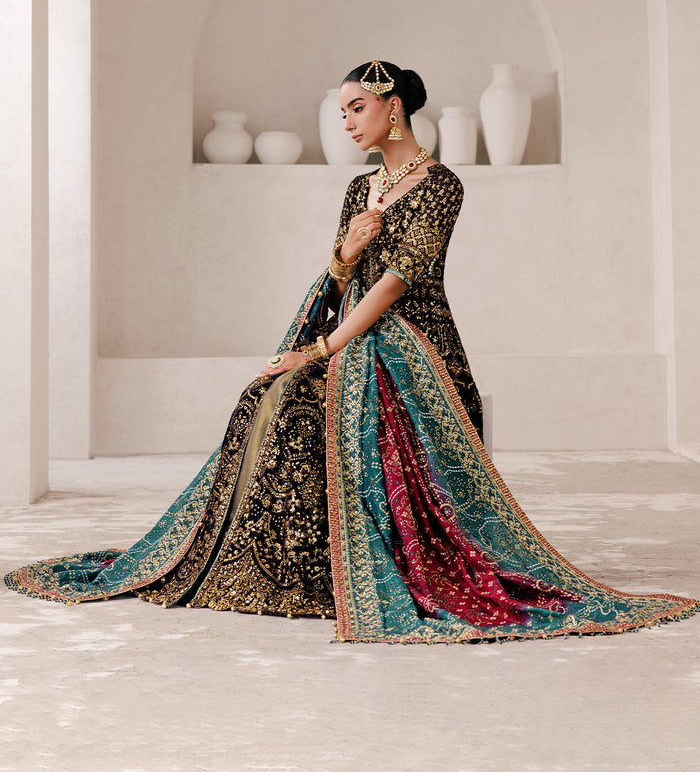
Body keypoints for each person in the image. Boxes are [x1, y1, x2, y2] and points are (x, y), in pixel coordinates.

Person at [5, 60, 699, 643]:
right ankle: (286, 569)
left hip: (413, 344)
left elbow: (397, 283)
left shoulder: (442, 185)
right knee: (266, 398)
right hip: (348, 332)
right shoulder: (358, 187)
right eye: (342, 112)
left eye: (356, 108)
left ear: (394, 108)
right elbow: (342, 276)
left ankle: (348, 565)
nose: (346, 122)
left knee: (299, 391)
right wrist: (345, 252)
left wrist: (320, 349)